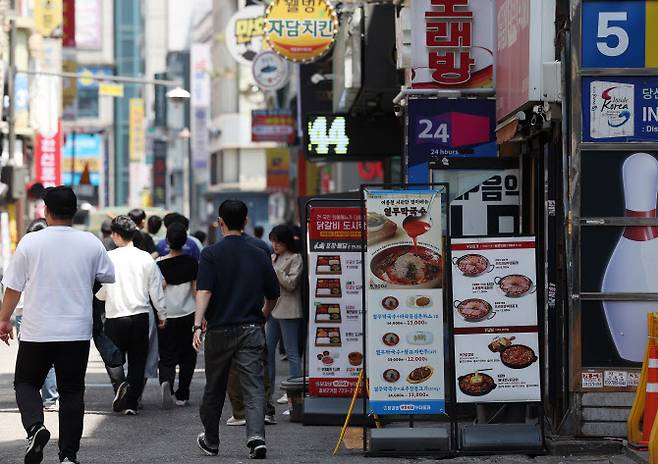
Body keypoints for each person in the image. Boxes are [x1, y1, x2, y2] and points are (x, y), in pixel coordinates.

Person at [0, 186, 115, 464]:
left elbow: (13, 287)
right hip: (75, 331)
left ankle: (36, 427)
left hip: (37, 331)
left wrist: (4, 319)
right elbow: (108, 275)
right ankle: (68, 456)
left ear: (46, 211)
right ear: (74, 212)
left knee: (26, 382)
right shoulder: (89, 242)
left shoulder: (30, 242)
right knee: (72, 391)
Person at [194, 199, 279, 460]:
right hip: (251, 328)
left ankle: (211, 440)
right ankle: (256, 437)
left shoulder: (210, 253)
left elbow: (205, 290)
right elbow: (273, 294)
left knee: (214, 387)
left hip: (219, 330)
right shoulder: (260, 250)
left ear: (220, 222)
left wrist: (198, 324)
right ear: (245, 221)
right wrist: (262, 316)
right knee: (253, 386)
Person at [96, 216, 167, 415]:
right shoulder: (145, 258)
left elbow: (101, 290)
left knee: (114, 358)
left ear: (117, 235)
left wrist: (102, 296)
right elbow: (156, 289)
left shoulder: (109, 258)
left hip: (115, 316)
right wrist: (162, 314)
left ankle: (120, 384)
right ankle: (131, 404)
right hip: (140, 316)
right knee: (137, 360)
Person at [8, 219, 59, 412]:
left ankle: (39, 396)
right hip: (49, 310)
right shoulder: (53, 255)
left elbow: (11, 286)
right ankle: (51, 398)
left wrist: (5, 317)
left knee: (30, 358)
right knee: (50, 356)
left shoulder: (23, 251)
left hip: (25, 313)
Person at [156, 222, 198, 408]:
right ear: (185, 241)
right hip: (188, 313)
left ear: (167, 241)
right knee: (188, 355)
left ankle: (167, 381)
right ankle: (183, 394)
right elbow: (197, 292)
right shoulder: (192, 263)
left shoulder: (159, 265)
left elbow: (156, 292)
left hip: (167, 314)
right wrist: (201, 317)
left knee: (166, 354)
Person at [266, 225, 304, 407]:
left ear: (286, 242)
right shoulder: (274, 257)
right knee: (267, 350)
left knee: (292, 352)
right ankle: (268, 390)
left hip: (289, 309)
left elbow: (291, 284)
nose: (274, 245)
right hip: (272, 308)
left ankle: (294, 391)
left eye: (278, 241)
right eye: (273, 241)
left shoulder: (295, 258)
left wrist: (275, 269)